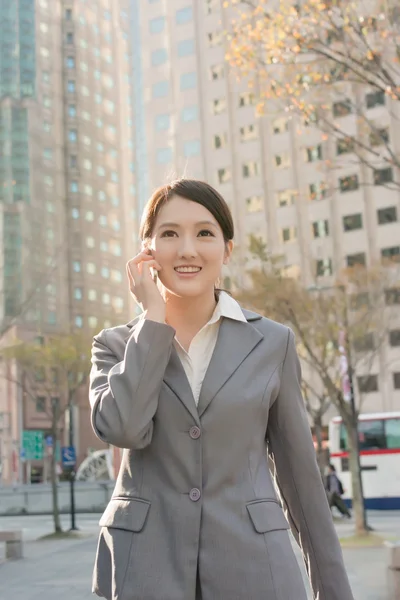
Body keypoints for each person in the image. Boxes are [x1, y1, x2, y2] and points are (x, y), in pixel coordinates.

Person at [89, 179, 354, 600]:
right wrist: (153, 323)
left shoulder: (273, 343)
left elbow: (300, 480)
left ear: (227, 249)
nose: (188, 249)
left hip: (254, 569)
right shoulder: (115, 346)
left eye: (205, 233)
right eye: (170, 233)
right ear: (147, 249)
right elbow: (123, 429)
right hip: (147, 572)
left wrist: (333, 591)